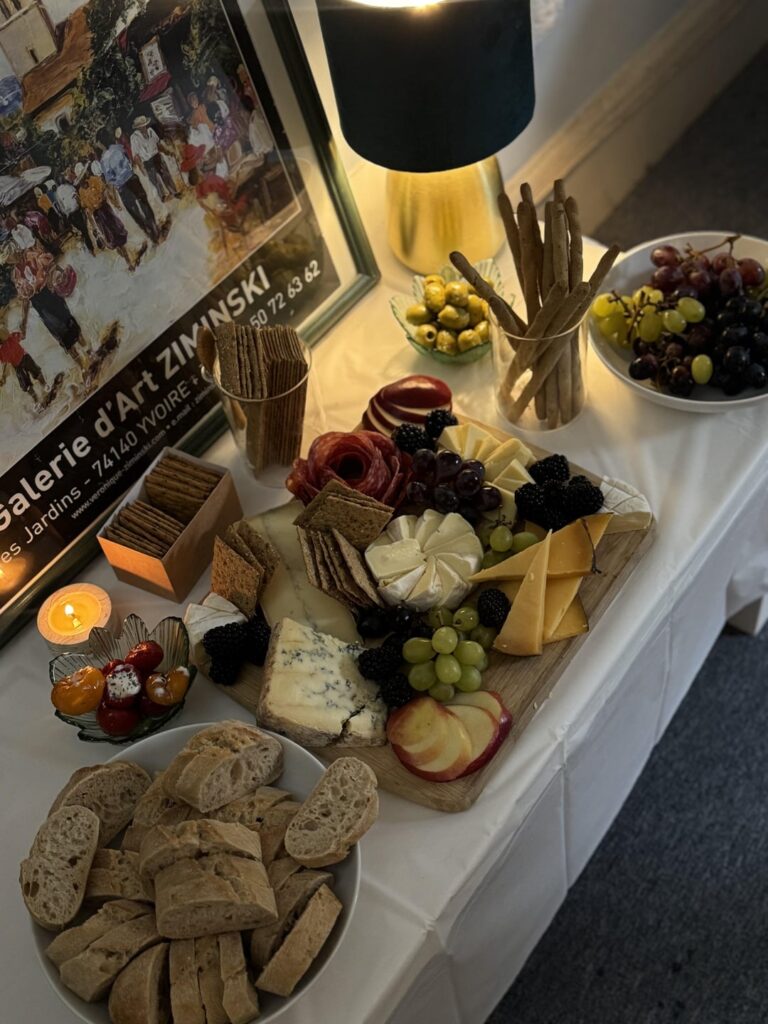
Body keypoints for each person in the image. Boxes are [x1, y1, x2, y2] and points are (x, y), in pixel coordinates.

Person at [8, 242, 92, 377]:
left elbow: (51, 265)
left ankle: (89, 352)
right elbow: (25, 299)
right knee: (61, 336)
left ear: (15, 251)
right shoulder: (15, 274)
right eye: (8, 258)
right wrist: (23, 324)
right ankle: (82, 367)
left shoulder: (32, 256)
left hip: (49, 293)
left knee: (70, 323)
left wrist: (53, 277)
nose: (10, 259)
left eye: (9, 255)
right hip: (40, 305)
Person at [98, 134, 160, 243]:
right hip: (132, 179)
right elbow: (129, 160)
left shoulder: (104, 160)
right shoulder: (119, 148)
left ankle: (148, 232)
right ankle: (154, 227)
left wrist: (116, 181)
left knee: (134, 211)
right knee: (144, 202)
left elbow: (109, 178)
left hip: (122, 187)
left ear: (102, 143)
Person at [77, 161, 134, 269]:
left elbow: (106, 192)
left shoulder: (94, 180)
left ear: (85, 175)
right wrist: (94, 227)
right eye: (79, 180)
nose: (82, 181)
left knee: (117, 234)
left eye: (82, 177)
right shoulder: (81, 192)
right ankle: (126, 258)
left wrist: (115, 203)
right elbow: (87, 211)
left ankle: (129, 260)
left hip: (105, 209)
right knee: (110, 239)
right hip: (98, 216)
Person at [130, 116, 180, 202]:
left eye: (144, 125)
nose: (143, 127)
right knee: (154, 179)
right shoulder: (134, 137)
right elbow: (136, 155)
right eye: (141, 126)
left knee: (165, 174)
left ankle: (174, 192)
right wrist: (141, 167)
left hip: (156, 155)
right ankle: (163, 196)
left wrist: (167, 152)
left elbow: (158, 144)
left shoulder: (150, 131)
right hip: (147, 160)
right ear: (138, 127)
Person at [0, 323, 48, 405]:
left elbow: (22, 335)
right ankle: (36, 400)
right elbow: (5, 364)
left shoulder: (12, 337)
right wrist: (3, 375)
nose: (5, 329)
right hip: (18, 366)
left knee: (37, 372)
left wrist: (23, 330)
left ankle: (45, 385)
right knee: (26, 385)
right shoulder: (2, 350)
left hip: (25, 357)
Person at [54, 171, 95, 255]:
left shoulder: (57, 192)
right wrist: (82, 207)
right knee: (84, 230)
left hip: (70, 215)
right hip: (76, 212)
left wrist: (65, 215)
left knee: (80, 232)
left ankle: (87, 249)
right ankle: (90, 249)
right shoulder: (69, 187)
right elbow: (76, 198)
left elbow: (60, 206)